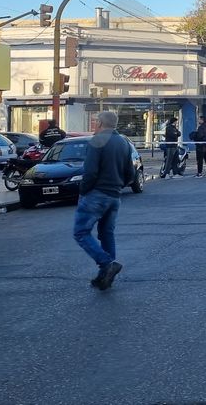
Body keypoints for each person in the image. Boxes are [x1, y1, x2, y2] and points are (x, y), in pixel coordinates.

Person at [74, 110, 134, 291]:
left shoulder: (97, 140)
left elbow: (90, 172)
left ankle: (107, 264)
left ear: (100, 123)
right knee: (106, 234)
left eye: (95, 122)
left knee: (81, 232)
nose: (94, 125)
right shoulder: (124, 142)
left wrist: (83, 190)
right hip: (114, 196)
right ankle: (105, 277)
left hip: (96, 194)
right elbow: (130, 174)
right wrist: (118, 185)